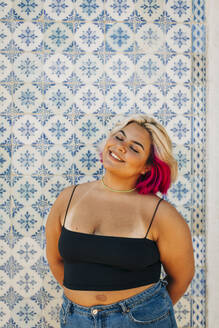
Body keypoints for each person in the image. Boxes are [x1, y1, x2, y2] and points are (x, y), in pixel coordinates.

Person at [46, 114, 195, 328]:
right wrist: (84, 303)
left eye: (135, 148)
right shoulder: (68, 198)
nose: (121, 147)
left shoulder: (162, 215)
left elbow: (182, 277)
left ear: (147, 167)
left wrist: (143, 313)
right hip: (75, 319)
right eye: (119, 137)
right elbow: (55, 259)